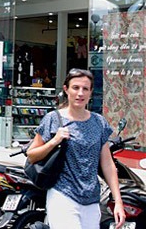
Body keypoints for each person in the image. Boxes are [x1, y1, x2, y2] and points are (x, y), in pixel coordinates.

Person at [25, 68, 126, 229]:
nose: (80, 93)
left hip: (92, 199)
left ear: (91, 92)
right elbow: (31, 156)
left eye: (85, 89)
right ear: (66, 90)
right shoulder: (53, 119)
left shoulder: (99, 122)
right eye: (75, 88)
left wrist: (118, 201)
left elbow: (107, 164)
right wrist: (54, 141)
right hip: (63, 195)